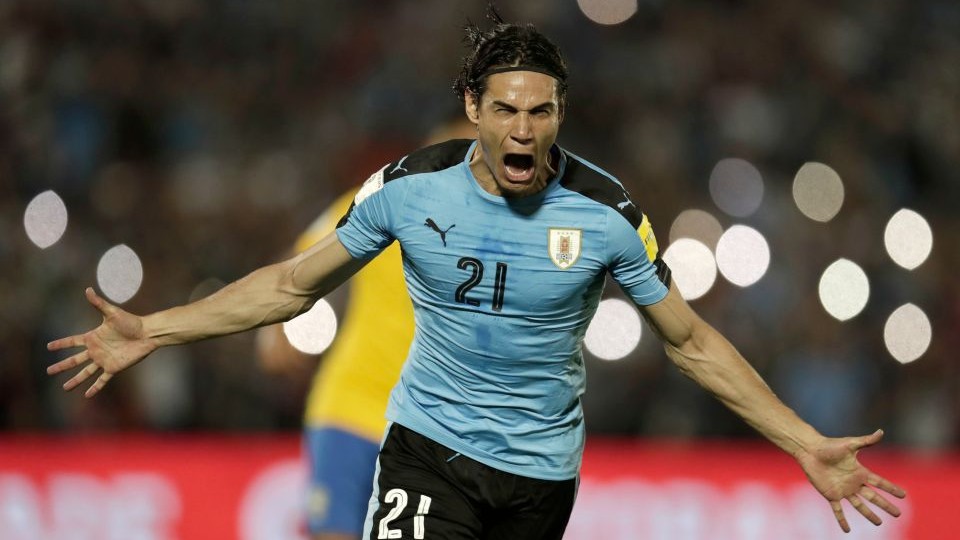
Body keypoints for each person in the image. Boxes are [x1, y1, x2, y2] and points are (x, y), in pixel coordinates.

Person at [48, 10, 905, 539]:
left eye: (540, 111)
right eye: (505, 110)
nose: (523, 130)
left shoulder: (607, 212)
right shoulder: (405, 188)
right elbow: (288, 287)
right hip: (429, 451)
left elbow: (691, 343)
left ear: (560, 112)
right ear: (474, 112)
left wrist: (804, 443)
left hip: (540, 477)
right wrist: (153, 330)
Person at [255, 117, 477, 540]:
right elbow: (298, 263)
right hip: (352, 408)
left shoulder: (505, 244)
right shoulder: (384, 203)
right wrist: (274, 329)